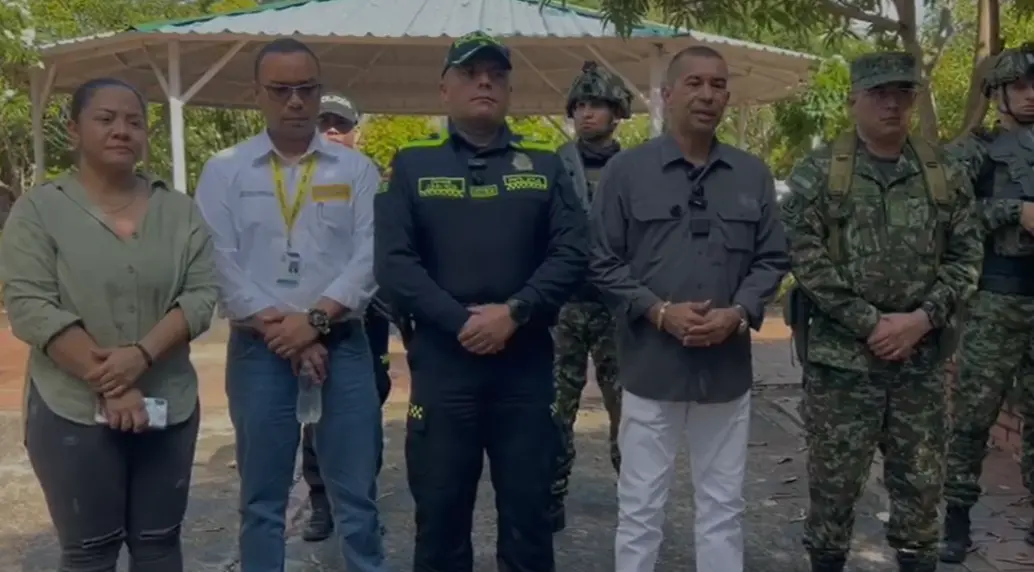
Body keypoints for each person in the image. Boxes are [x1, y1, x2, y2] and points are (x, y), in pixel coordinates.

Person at [374, 30, 588, 572]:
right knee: (441, 520)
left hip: (526, 369)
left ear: (510, 91)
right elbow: (394, 265)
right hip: (446, 371)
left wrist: (514, 313)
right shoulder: (413, 165)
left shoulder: (544, 164)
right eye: (470, 73)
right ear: (444, 90)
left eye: (496, 74)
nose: (485, 81)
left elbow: (571, 252)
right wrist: (460, 322)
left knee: (530, 521)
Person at [0, 77, 218, 571]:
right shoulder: (39, 211)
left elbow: (202, 295)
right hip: (70, 408)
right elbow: (31, 304)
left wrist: (139, 357)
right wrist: (113, 384)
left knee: (160, 544)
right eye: (106, 119)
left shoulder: (179, 212)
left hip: (169, 403)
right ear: (74, 130)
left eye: (134, 122)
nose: (122, 130)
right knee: (89, 552)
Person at [780, 52, 983, 572]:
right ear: (854, 99)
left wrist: (921, 320)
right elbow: (804, 257)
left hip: (919, 363)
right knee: (833, 489)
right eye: (878, 93)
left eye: (902, 92)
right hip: (842, 364)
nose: (892, 103)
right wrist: (870, 323)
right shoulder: (818, 173)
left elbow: (967, 256)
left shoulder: (945, 172)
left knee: (919, 490)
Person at [590, 45, 789, 572]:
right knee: (640, 510)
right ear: (667, 93)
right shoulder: (627, 172)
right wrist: (658, 312)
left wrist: (739, 312)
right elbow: (601, 261)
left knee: (723, 509)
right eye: (695, 83)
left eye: (718, 85)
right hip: (651, 368)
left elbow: (772, 257)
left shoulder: (752, 174)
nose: (707, 94)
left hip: (724, 373)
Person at [194, 38, 385, 572]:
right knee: (261, 501)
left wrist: (316, 321)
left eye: (306, 88)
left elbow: (371, 257)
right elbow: (217, 258)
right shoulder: (225, 170)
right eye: (281, 90)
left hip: (342, 346)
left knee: (357, 497)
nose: (296, 101)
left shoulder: (356, 171)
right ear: (258, 94)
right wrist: (286, 330)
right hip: (261, 352)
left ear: (319, 91)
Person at [939, 44, 1034, 562]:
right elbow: (938, 211)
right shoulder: (976, 150)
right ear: (999, 93)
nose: (1031, 96)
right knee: (974, 416)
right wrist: (1011, 212)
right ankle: (956, 518)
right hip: (996, 299)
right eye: (1020, 87)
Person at [300, 91, 394, 543]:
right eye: (324, 124)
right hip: (304, 319)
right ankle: (321, 503)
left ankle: (360, 499)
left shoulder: (370, 177)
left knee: (365, 409)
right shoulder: (292, 180)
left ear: (355, 132)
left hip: (365, 316)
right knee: (311, 408)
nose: (332, 131)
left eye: (341, 124)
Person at [549, 60, 633, 533]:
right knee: (556, 407)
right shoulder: (556, 167)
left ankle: (635, 494)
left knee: (628, 409)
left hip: (617, 308)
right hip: (564, 306)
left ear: (616, 111)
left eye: (596, 104)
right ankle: (551, 494)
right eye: (579, 105)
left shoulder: (635, 169)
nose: (586, 113)